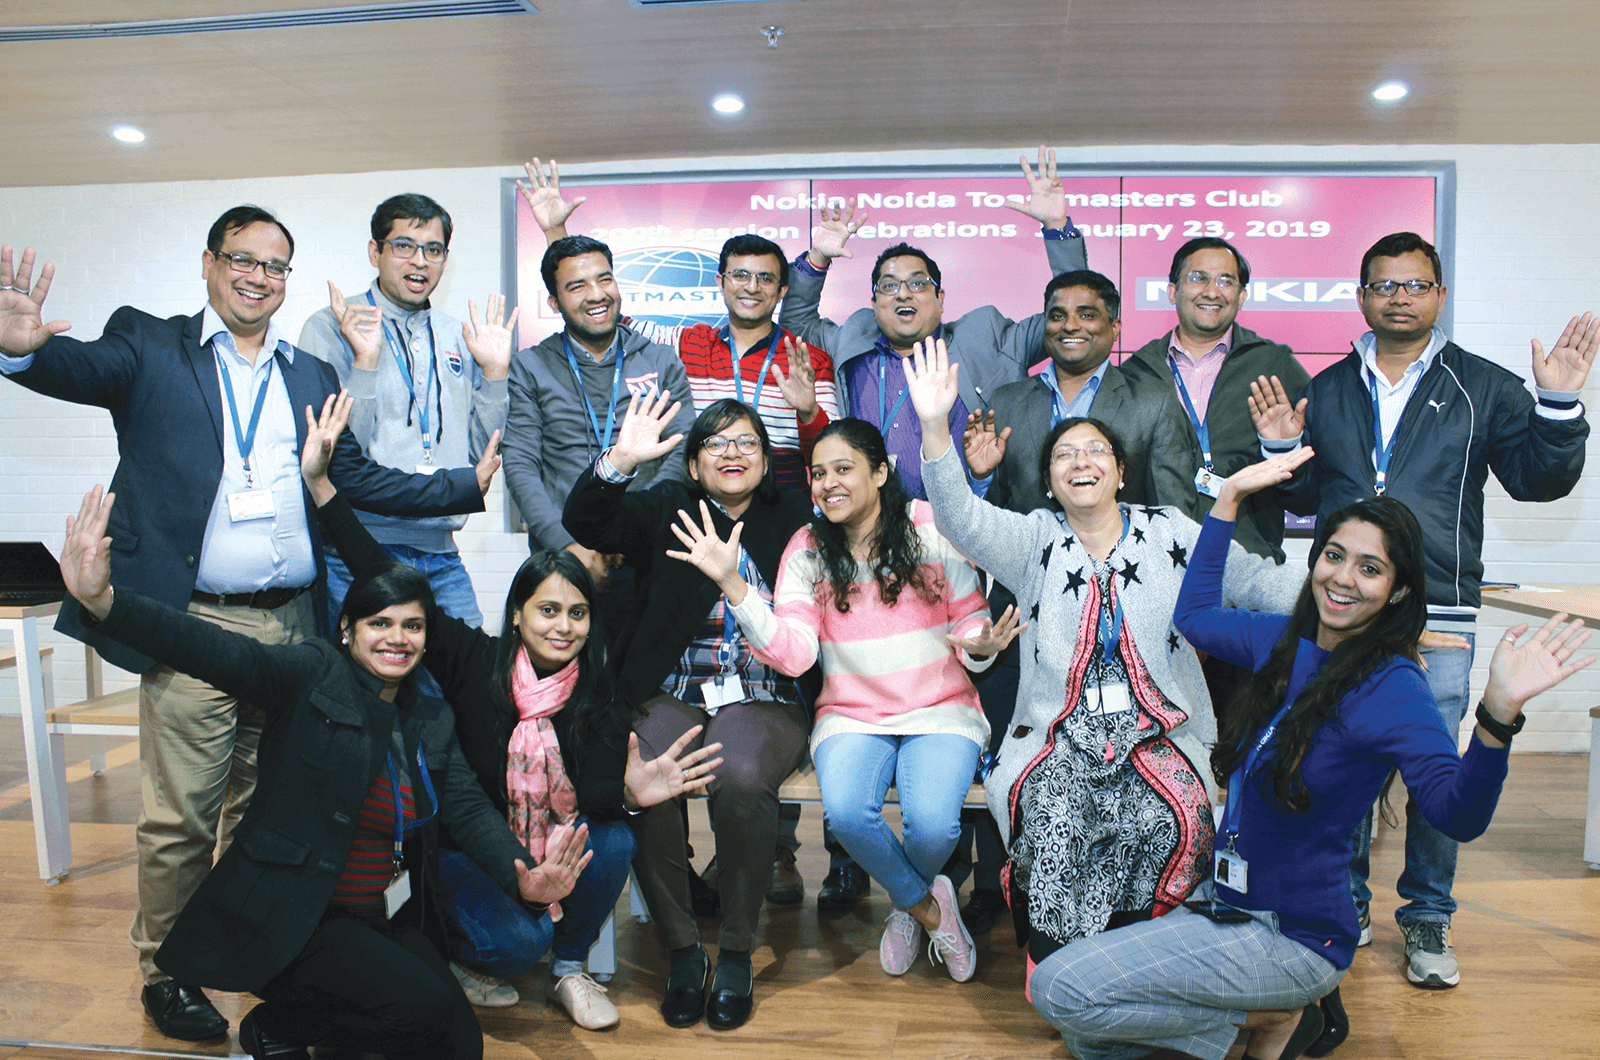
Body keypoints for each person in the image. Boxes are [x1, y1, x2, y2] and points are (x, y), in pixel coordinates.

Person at [0, 215, 490, 1042]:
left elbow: (353, 475)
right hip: (197, 625)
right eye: (242, 261)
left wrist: (459, 486)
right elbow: (73, 367)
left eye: (276, 266)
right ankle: (167, 971)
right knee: (181, 815)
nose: (259, 277)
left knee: (269, 812)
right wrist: (19, 351)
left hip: (296, 627)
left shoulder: (306, 374)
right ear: (208, 265)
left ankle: (255, 949)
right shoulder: (149, 346)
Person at [58, 483, 721, 1059]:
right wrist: (106, 602)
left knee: (458, 1044)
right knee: (424, 1020)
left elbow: (464, 805)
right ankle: (280, 1020)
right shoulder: (310, 675)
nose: (398, 638)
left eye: (411, 626)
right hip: (301, 915)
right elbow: (212, 650)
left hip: (388, 916)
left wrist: (526, 876)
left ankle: (294, 1030)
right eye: (380, 623)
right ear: (348, 629)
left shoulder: (428, 713)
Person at [1025, 460, 1591, 1060]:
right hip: (1227, 905)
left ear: (1397, 589)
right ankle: (1265, 1024)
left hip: (1295, 937)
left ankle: (1265, 1020)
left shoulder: (1393, 686)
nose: (1343, 578)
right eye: (1333, 555)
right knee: (1089, 1037)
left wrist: (1497, 715)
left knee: (1060, 994)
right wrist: (1229, 499)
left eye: (1370, 568)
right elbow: (1191, 617)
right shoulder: (1285, 642)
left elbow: (1457, 815)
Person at [1252, 230, 1598, 988]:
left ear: (1439, 295)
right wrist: (1280, 451)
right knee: (1332, 764)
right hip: (1340, 614)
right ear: (1362, 295)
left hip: (1438, 617)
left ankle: (1428, 915)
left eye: (1414, 285)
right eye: (1384, 285)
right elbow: (1310, 502)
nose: (1398, 297)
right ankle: (1340, 903)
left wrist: (1561, 401)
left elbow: (1541, 481)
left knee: (1437, 777)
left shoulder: (1487, 386)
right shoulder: (1334, 386)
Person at [903, 338, 1303, 990]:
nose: (1080, 462)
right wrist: (930, 427)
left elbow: (1252, 579)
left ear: (1120, 472)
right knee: (1058, 822)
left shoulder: (1173, 530)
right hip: (1057, 744)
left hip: (1162, 740)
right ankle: (1060, 968)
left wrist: (1352, 614)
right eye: (1065, 454)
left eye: (1096, 452)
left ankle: (1141, 966)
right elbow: (960, 516)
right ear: (1050, 479)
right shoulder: (1033, 539)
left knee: (1170, 822)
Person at [304, 392, 710, 1028]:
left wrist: (629, 793)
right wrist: (324, 487)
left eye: (577, 613)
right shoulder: (473, 659)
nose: (564, 626)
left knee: (613, 839)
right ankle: (457, 957)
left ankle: (570, 970)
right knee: (518, 944)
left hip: (551, 847)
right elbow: (380, 570)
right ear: (517, 615)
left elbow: (596, 800)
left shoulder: (596, 689)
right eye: (548, 610)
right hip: (474, 847)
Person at [667, 416, 1022, 987]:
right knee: (850, 816)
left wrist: (981, 647)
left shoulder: (929, 528)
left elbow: (973, 624)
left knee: (934, 827)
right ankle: (928, 909)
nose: (828, 483)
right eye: (817, 474)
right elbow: (795, 654)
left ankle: (909, 907)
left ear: (880, 472)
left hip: (940, 708)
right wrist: (735, 586)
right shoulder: (806, 548)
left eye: (843, 469)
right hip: (851, 713)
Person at [947, 267, 1205, 933]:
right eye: (1057, 313)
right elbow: (986, 520)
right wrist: (976, 477)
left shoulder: (1151, 399)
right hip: (1029, 609)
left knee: (1129, 796)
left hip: (1129, 613)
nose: (1071, 326)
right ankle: (996, 892)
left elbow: (1176, 505)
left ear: (1115, 328)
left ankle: (1124, 922)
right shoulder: (1008, 398)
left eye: (1088, 314)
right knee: (1016, 746)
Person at [562, 393, 816, 1030]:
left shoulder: (792, 517)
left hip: (764, 693)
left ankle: (734, 951)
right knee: (645, 769)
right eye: (716, 444)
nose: (732, 453)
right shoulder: (666, 508)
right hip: (674, 690)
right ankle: (682, 950)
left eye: (747, 443)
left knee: (740, 777)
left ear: (766, 462)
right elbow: (587, 521)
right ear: (695, 466)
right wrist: (620, 459)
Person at [778, 147, 1088, 505]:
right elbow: (797, 323)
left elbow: (1072, 314)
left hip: (965, 527)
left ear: (941, 299)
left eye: (918, 283)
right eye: (889, 286)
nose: (903, 294)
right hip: (869, 525)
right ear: (875, 302)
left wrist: (1057, 229)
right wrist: (817, 259)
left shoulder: (987, 337)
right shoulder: (852, 339)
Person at [522, 159, 841, 491]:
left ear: (782, 291)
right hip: (698, 514)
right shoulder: (688, 344)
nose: (751, 287)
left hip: (783, 516)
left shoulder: (808, 360)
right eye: (740, 275)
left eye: (765, 278)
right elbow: (600, 312)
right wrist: (555, 233)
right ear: (721, 282)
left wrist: (807, 412)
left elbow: (831, 457)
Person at [299, 192, 518, 628]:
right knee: (363, 689)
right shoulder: (330, 328)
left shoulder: (459, 334)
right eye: (403, 246)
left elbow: (483, 454)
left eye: (433, 250)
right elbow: (338, 453)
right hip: (356, 548)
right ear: (375, 252)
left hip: (439, 550)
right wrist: (364, 362)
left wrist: (495, 374)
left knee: (470, 678)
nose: (420, 261)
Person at [501, 233, 697, 637]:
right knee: (560, 681)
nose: (596, 295)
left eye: (604, 280)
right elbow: (521, 463)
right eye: (577, 286)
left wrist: (633, 529)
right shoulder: (531, 366)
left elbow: (681, 451)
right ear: (555, 303)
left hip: (645, 553)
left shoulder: (660, 360)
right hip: (560, 554)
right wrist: (569, 546)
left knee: (637, 685)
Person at [1118, 236, 1310, 562]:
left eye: (1226, 281)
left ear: (1242, 295)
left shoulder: (1275, 365)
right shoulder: (1136, 373)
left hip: (1249, 559)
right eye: (1197, 278)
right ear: (1172, 291)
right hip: (1154, 563)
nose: (1211, 291)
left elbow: (1309, 489)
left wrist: (1281, 449)